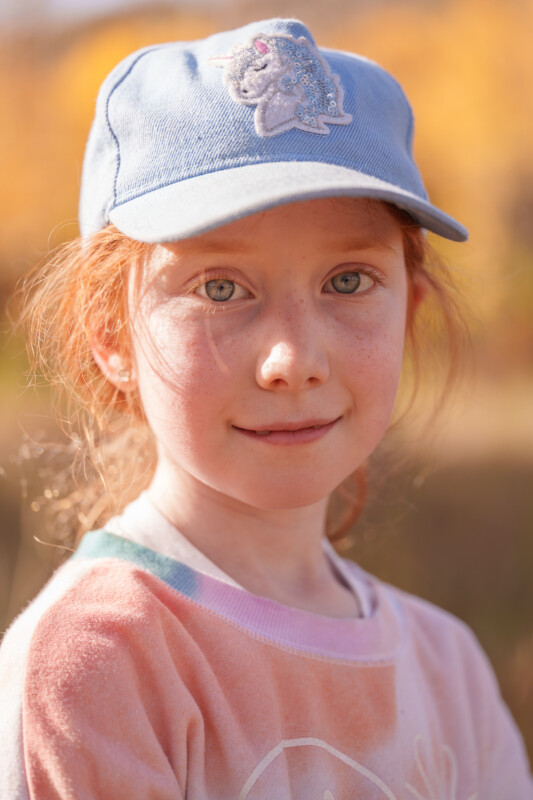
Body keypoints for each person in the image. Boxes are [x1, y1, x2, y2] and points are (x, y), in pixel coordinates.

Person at [0, 17, 531, 800]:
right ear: (110, 335)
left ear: (408, 312)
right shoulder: (96, 662)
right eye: (220, 289)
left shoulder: (446, 665)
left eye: (347, 282)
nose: (294, 360)